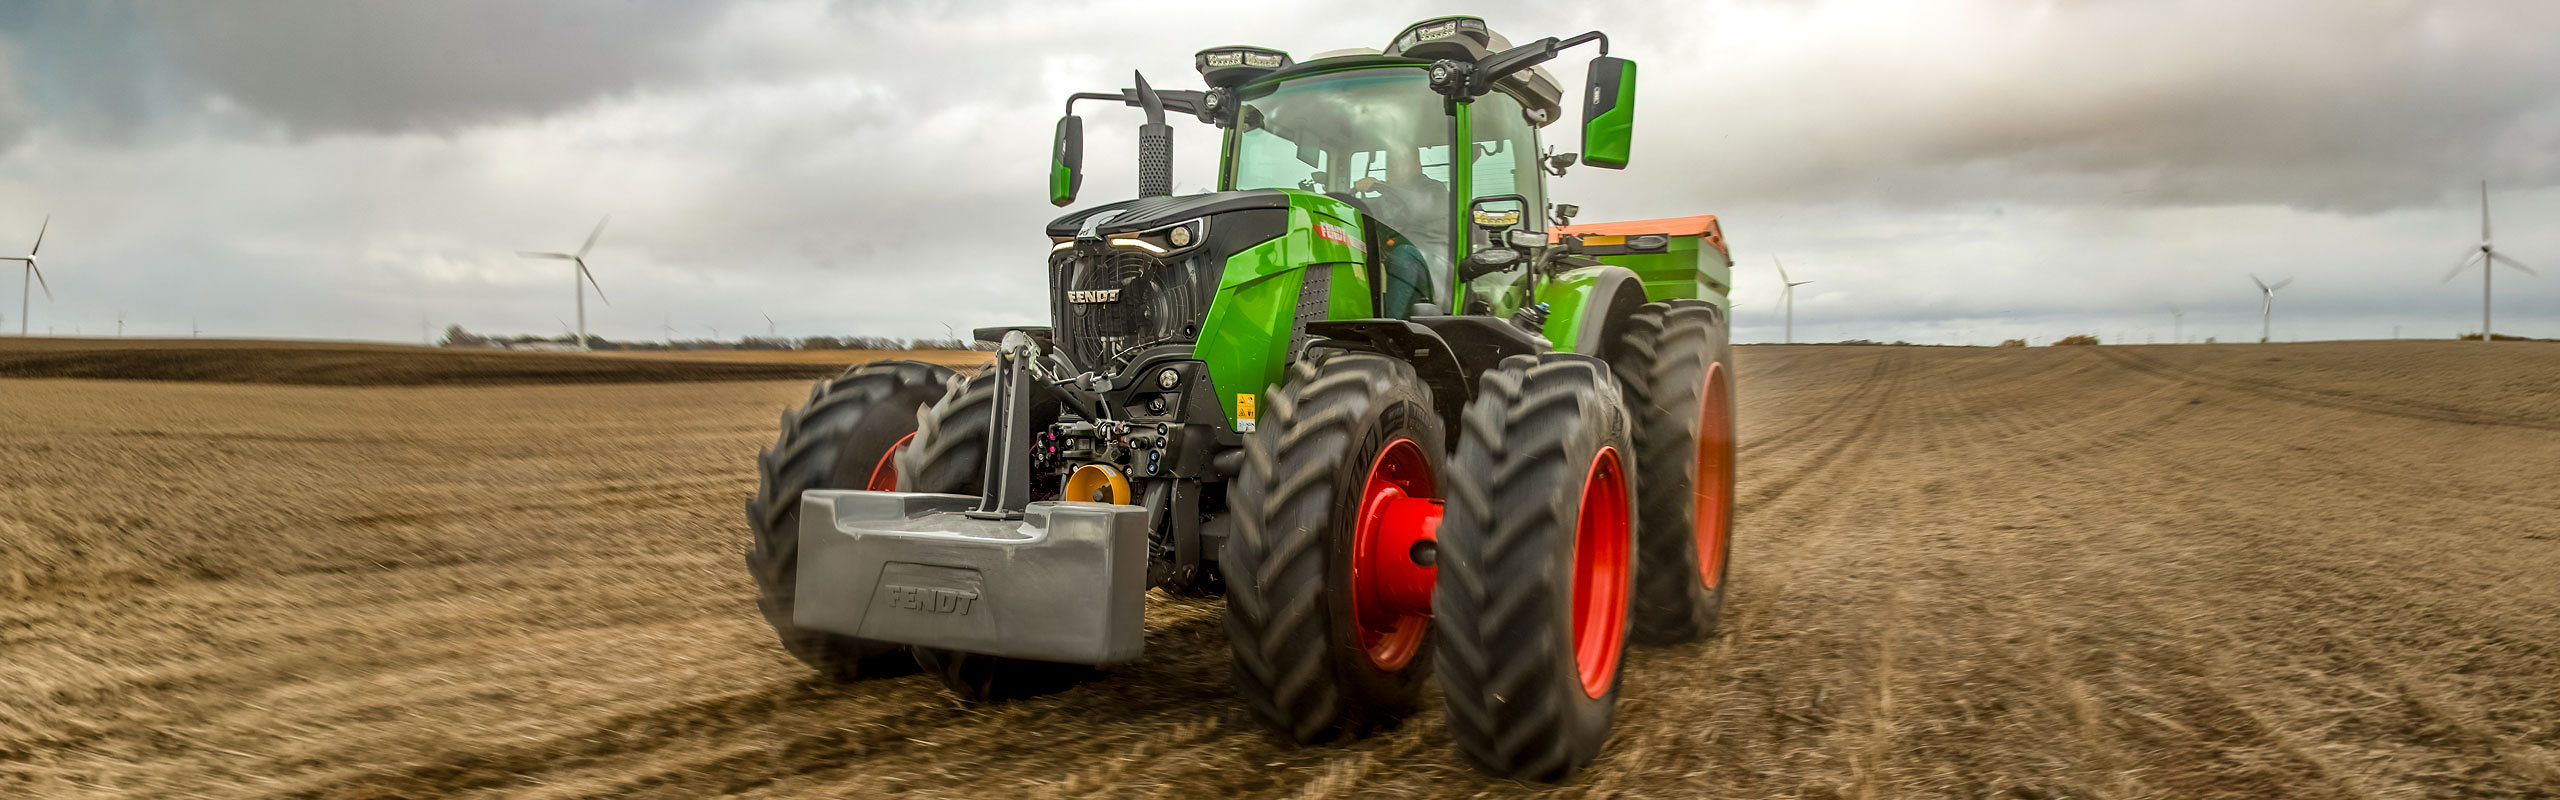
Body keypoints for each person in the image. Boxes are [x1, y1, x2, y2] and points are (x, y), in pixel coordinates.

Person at [1354, 148, 1451, 314]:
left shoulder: (1435, 190)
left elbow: (1423, 207)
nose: (1391, 167)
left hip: (1432, 262)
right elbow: (1367, 210)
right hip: (1394, 257)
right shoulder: (1388, 198)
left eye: (1398, 162)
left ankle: (1389, 329)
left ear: (1416, 165)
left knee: (1404, 254)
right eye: (1389, 163)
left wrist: (1379, 186)